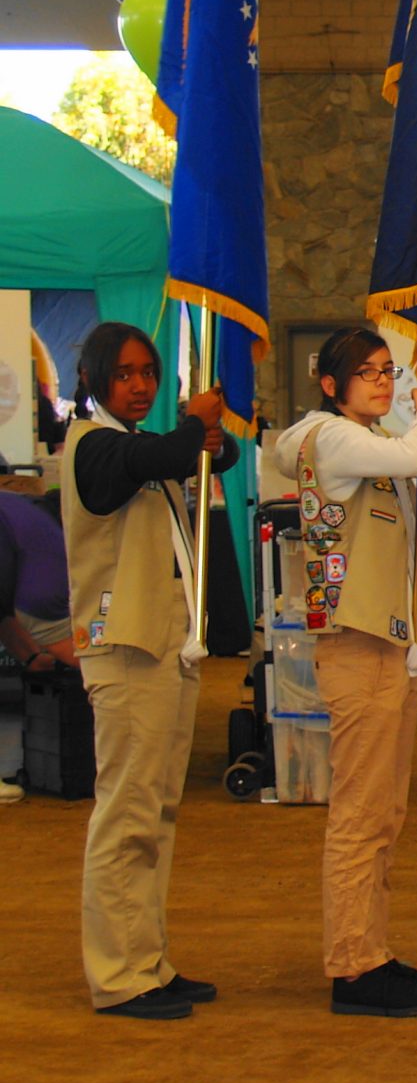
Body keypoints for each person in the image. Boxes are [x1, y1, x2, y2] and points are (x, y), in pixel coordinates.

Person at [271, 327, 417, 1019]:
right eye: (366, 373)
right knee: (361, 812)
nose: (382, 382)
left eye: (388, 371)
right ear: (330, 384)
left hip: (384, 642)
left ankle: (370, 947)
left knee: (384, 809)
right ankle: (353, 964)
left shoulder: (358, 442)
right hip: (359, 640)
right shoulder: (333, 438)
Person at [63, 321, 235, 1019]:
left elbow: (178, 464)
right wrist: (193, 429)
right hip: (124, 646)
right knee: (126, 813)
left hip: (163, 642)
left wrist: (206, 445)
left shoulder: (139, 447)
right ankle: (118, 975)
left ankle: (147, 960)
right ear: (96, 379)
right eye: (126, 374)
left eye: (148, 374)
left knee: (156, 811)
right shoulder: (92, 447)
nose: (139, 386)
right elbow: (139, 469)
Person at [1, 488, 76, 672]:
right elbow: (45, 619)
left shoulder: (17, 512)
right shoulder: (48, 544)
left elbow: (2, 611)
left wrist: (31, 657)